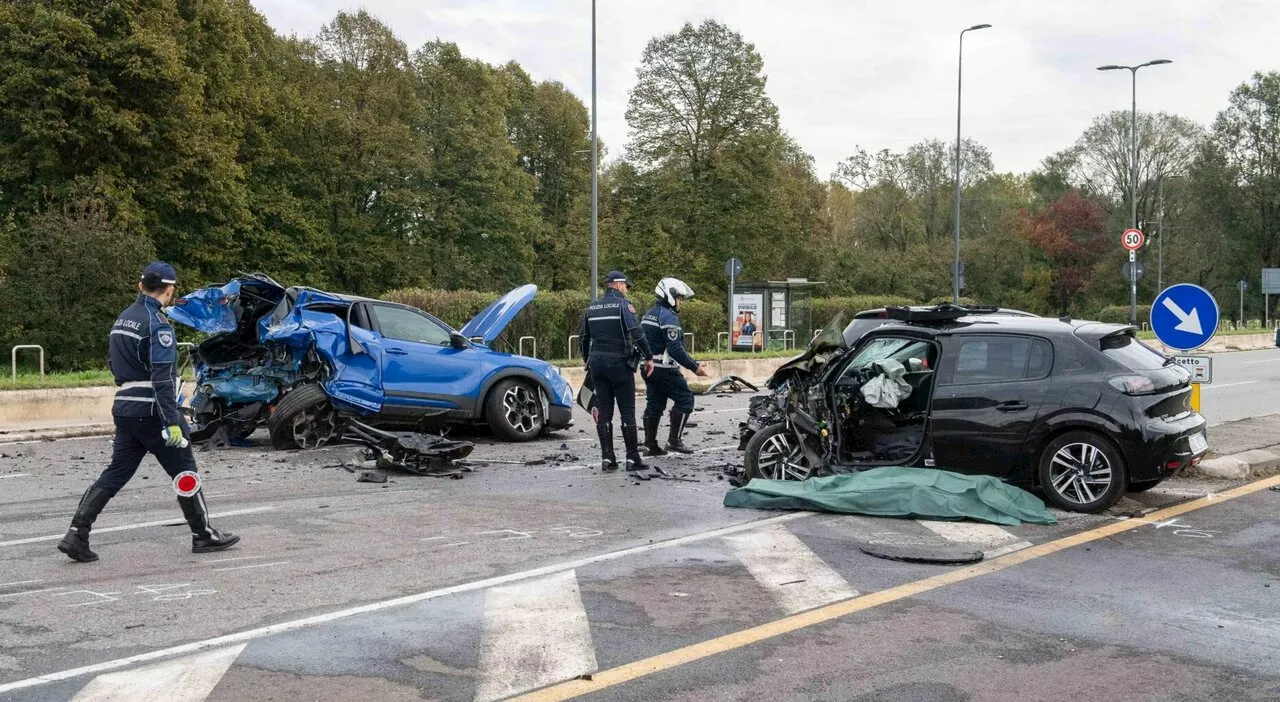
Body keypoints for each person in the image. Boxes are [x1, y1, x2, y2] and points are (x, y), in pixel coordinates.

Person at [58, 262, 240, 562]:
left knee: (116, 472)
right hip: (153, 410)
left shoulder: (122, 319)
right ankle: (203, 534)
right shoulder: (158, 324)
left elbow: (114, 366)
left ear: (140, 285)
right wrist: (172, 421)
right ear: (169, 290)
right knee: (185, 471)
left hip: (125, 407)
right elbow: (161, 377)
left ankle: (77, 533)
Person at [578, 271, 654, 474]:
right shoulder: (623, 306)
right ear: (619, 286)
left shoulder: (592, 307)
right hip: (619, 363)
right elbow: (636, 332)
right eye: (626, 286)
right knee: (627, 411)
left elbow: (583, 337)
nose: (627, 290)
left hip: (597, 364)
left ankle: (607, 458)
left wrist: (587, 360)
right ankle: (632, 458)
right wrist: (648, 356)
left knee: (604, 410)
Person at [641, 277, 710, 456]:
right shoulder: (668, 316)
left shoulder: (650, 313)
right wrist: (695, 367)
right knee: (685, 400)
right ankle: (674, 440)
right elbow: (675, 349)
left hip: (648, 367)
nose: (681, 302)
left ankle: (650, 445)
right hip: (664, 369)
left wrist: (693, 361)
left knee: (655, 403)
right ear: (670, 296)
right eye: (679, 298)